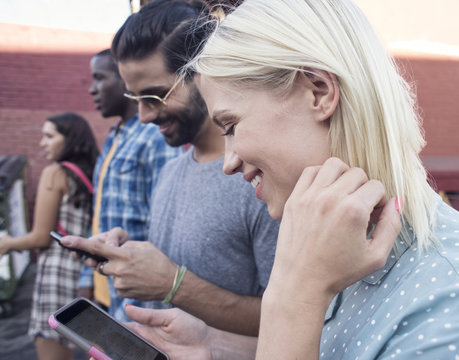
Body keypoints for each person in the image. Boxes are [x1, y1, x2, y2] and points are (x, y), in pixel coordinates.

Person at [110, 0, 459, 359]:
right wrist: (213, 346)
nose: (229, 161)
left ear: (318, 91)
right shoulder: (343, 243)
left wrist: (295, 296)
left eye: (232, 125)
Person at [62, 0, 279, 336]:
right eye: (136, 100)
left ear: (203, 73)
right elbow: (186, 259)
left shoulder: (262, 179)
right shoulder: (170, 170)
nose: (145, 116)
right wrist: (128, 251)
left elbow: (290, 318)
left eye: (156, 96)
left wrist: (172, 284)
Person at [82, 48, 180, 321]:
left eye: (100, 78)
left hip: (140, 303)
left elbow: (166, 229)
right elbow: (100, 214)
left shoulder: (154, 136)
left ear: (126, 80)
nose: (92, 89)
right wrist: (86, 278)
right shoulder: (114, 138)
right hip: (108, 293)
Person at [0, 113, 98, 360]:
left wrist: (7, 243)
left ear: (70, 139)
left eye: (49, 136)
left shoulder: (54, 174)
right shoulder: (91, 175)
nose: (42, 143)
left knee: (50, 349)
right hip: (83, 275)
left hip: (55, 274)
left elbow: (41, 237)